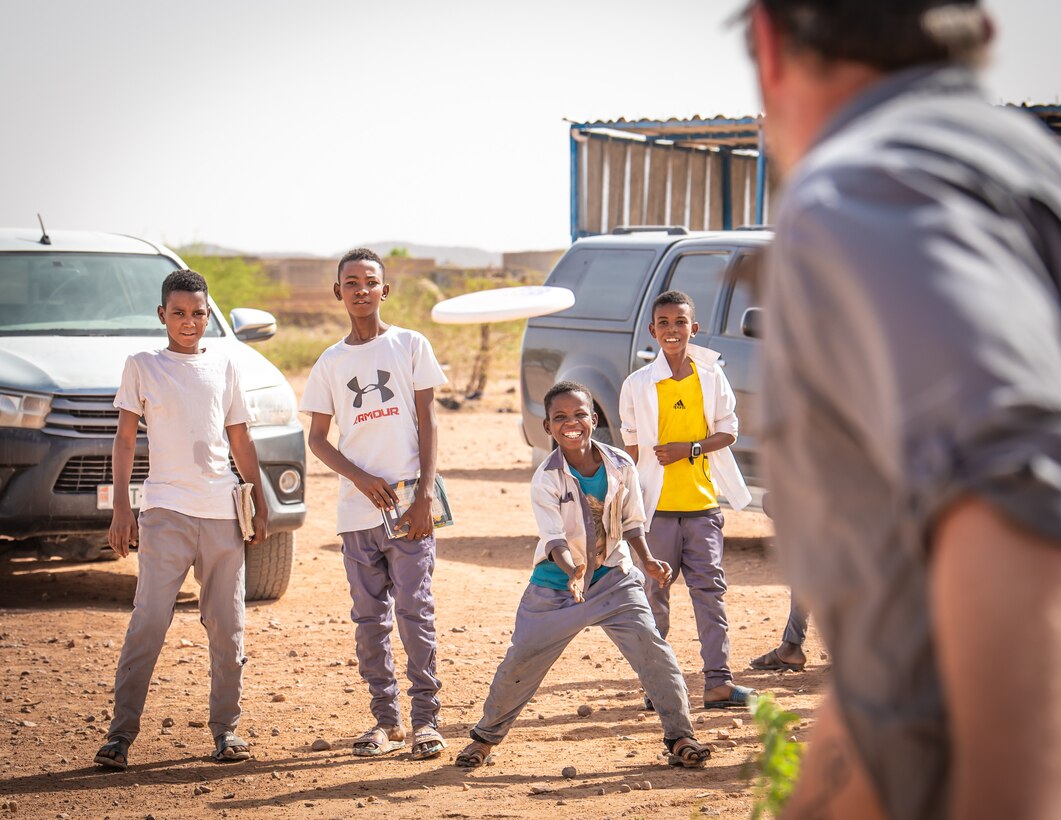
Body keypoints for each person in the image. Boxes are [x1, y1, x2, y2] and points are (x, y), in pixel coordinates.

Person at [745, 0, 1061, 816]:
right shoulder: (1028, 169)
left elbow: (1011, 486)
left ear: (769, 45)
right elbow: (896, 652)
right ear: (980, 32)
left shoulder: (864, 185)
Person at [454, 381, 712, 769]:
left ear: (593, 419)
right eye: (560, 417)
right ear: (547, 427)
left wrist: (649, 561)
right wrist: (572, 570)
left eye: (579, 415)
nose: (570, 423)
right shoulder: (546, 478)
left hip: (614, 580)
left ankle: (681, 737)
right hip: (557, 588)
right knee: (521, 662)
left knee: (655, 653)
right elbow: (554, 537)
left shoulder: (621, 465)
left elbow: (632, 523)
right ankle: (485, 738)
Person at [94, 269, 268, 770]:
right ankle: (120, 735)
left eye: (197, 312)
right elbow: (125, 439)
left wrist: (257, 500)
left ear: (208, 313)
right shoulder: (143, 365)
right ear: (161, 315)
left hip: (222, 514)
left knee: (228, 626)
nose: (188, 322)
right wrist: (122, 507)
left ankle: (226, 731)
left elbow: (240, 439)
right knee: (148, 621)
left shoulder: (227, 366)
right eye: (178, 313)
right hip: (165, 510)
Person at [300, 248, 449, 761]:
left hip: (409, 502)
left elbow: (429, 422)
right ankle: (386, 721)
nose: (361, 290)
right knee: (370, 619)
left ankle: (427, 719)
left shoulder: (410, 345)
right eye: (351, 282)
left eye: (370, 282)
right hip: (357, 509)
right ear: (337, 292)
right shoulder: (330, 362)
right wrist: (360, 478)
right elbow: (318, 439)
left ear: (385, 291)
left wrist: (426, 494)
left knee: (415, 610)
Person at [618, 291, 755, 710]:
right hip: (656, 510)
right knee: (654, 594)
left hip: (702, 507)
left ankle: (718, 682)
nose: (672, 330)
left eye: (680, 322)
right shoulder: (638, 385)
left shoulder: (712, 377)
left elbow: (728, 432)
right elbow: (632, 447)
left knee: (709, 592)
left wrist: (689, 449)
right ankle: (658, 686)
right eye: (664, 323)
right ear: (652, 331)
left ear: (693, 328)